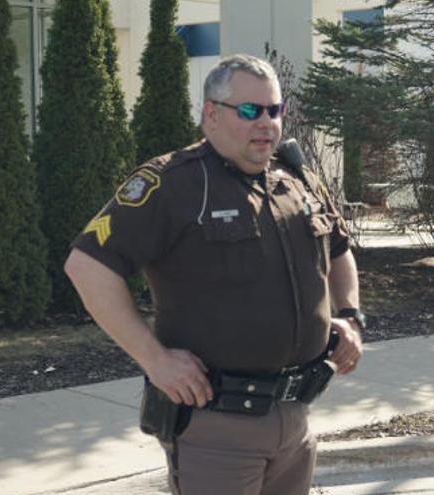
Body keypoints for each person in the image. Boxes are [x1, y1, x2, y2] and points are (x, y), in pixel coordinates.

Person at [64, 54, 366, 495]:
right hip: (217, 427)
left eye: (274, 110)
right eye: (249, 111)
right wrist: (154, 359)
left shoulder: (295, 177)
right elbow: (86, 266)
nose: (265, 122)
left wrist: (352, 316)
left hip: (297, 417)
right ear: (211, 115)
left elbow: (339, 250)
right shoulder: (174, 183)